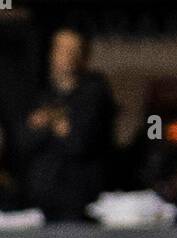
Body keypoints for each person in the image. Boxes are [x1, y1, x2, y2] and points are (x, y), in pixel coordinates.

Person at [19, 28, 115, 221]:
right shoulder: (39, 95)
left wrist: (49, 120)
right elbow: (23, 140)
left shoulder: (94, 93)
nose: (67, 56)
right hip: (38, 199)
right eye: (62, 49)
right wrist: (56, 123)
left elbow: (78, 141)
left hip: (78, 200)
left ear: (83, 56)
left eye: (73, 50)